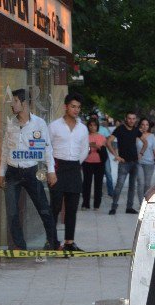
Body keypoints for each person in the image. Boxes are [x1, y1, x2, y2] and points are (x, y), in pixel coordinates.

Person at [0, 88, 59, 253]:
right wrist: (1, 173)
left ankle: (53, 243)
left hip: (32, 172)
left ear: (24, 103)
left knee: (44, 208)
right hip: (12, 173)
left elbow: (47, 149)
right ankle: (19, 245)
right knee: (12, 212)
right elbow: (5, 149)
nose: (12, 104)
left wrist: (51, 170)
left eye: (15, 101)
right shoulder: (11, 123)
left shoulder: (39, 123)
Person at [48, 92, 89, 252]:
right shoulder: (54, 126)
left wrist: (75, 163)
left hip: (74, 168)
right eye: (73, 106)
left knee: (72, 208)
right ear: (66, 107)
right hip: (57, 167)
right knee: (55, 208)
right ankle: (52, 241)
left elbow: (85, 149)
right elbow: (47, 148)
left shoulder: (83, 128)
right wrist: (51, 170)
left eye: (78, 107)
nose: (76, 110)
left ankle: (69, 242)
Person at [106, 111, 144, 215]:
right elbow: (108, 142)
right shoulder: (120, 129)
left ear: (135, 119)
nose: (131, 120)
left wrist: (141, 153)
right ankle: (113, 207)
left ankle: (129, 207)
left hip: (135, 162)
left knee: (132, 186)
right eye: (129, 118)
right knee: (119, 186)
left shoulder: (136, 130)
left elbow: (145, 142)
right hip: (124, 163)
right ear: (126, 119)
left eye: (133, 118)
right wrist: (116, 156)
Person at [81, 118, 107, 211]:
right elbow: (82, 150)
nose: (93, 127)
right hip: (87, 162)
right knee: (86, 183)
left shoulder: (102, 137)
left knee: (98, 184)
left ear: (97, 126)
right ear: (88, 126)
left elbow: (104, 151)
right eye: (91, 125)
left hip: (99, 163)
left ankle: (97, 205)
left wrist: (97, 147)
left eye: (95, 125)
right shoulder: (85, 137)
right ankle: (85, 204)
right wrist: (88, 146)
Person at [136, 118, 155, 204]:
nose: (145, 127)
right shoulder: (136, 136)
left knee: (147, 184)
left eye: (147, 125)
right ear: (140, 125)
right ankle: (140, 203)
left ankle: (145, 201)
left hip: (149, 163)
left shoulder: (152, 136)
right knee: (140, 183)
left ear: (149, 126)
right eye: (143, 124)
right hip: (138, 163)